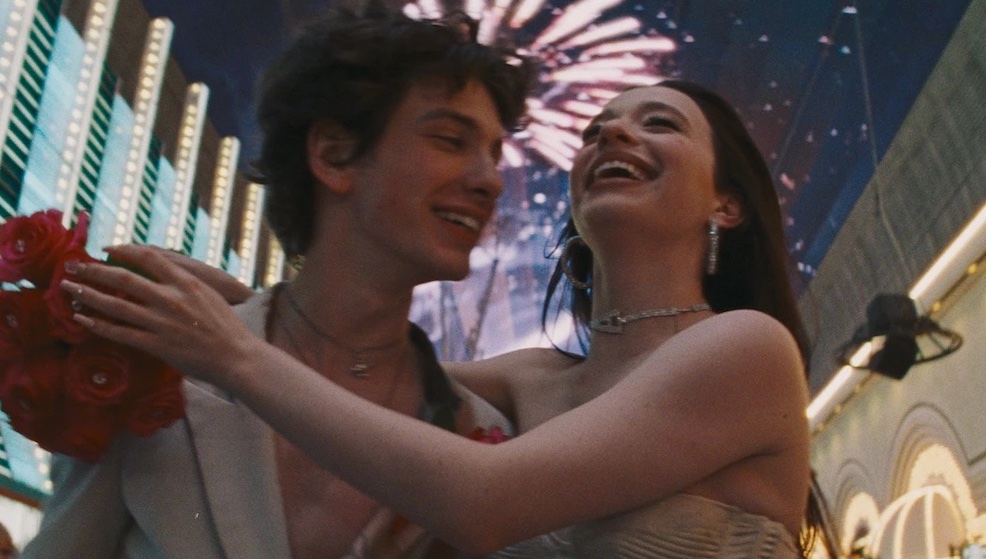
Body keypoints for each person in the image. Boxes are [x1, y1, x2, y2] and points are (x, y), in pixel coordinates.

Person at [63, 80, 818, 558]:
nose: (611, 136)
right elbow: (352, 373)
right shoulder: (532, 377)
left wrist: (232, 350)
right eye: (595, 130)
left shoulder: (746, 348)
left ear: (727, 204)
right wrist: (234, 302)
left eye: (659, 124)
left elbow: (482, 500)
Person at [22, 6, 532, 559]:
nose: (491, 181)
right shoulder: (153, 360)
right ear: (334, 155)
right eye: (451, 140)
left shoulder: (480, 434)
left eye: (494, 153)